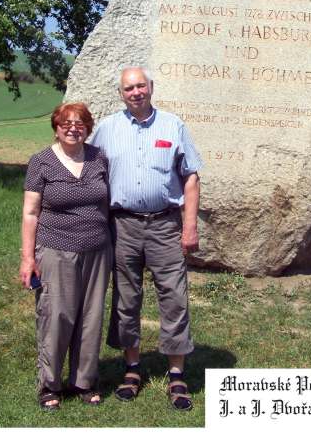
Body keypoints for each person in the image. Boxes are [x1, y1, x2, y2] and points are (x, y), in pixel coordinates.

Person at [90, 67, 202, 411]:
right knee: (126, 298)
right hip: (122, 226)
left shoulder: (173, 125)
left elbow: (191, 177)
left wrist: (189, 226)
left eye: (140, 86)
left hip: (165, 224)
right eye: (128, 88)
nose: (135, 92)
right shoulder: (107, 130)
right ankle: (132, 368)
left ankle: (176, 373)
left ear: (151, 88)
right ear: (121, 94)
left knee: (174, 296)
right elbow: (87, 170)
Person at [19, 102, 112, 412]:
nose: (74, 128)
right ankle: (49, 385)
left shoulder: (99, 158)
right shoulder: (41, 162)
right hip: (55, 249)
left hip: (97, 250)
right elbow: (31, 213)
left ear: (88, 127)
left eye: (80, 123)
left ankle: (85, 381)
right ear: (56, 127)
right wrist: (27, 258)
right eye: (66, 123)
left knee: (91, 317)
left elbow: (105, 202)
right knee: (56, 316)